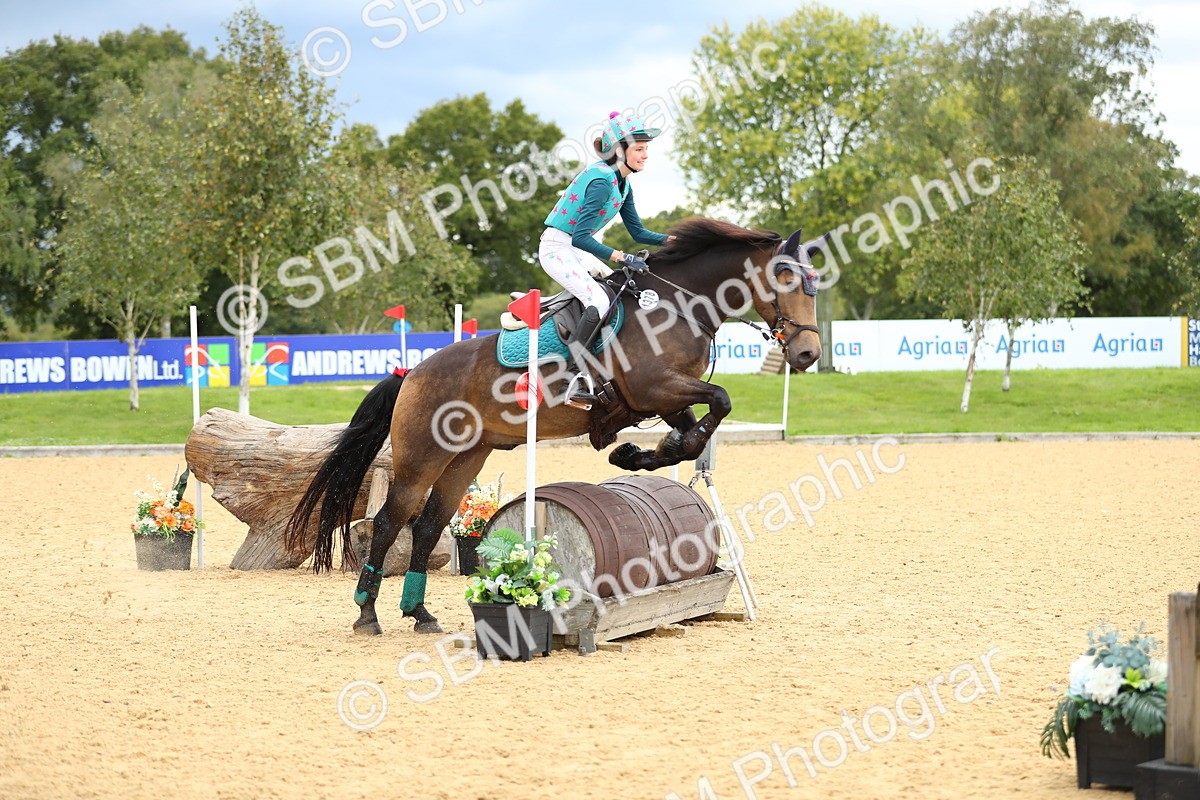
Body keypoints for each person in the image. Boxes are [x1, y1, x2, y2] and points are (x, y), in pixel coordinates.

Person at [540, 111, 672, 408]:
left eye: (646, 148)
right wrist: (622, 257)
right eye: (639, 149)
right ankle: (567, 380)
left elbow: (638, 232)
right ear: (619, 151)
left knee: (613, 290)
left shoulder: (624, 184)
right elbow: (580, 237)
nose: (646, 155)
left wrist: (672, 241)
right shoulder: (602, 182)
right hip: (558, 248)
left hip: (576, 249)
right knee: (598, 302)